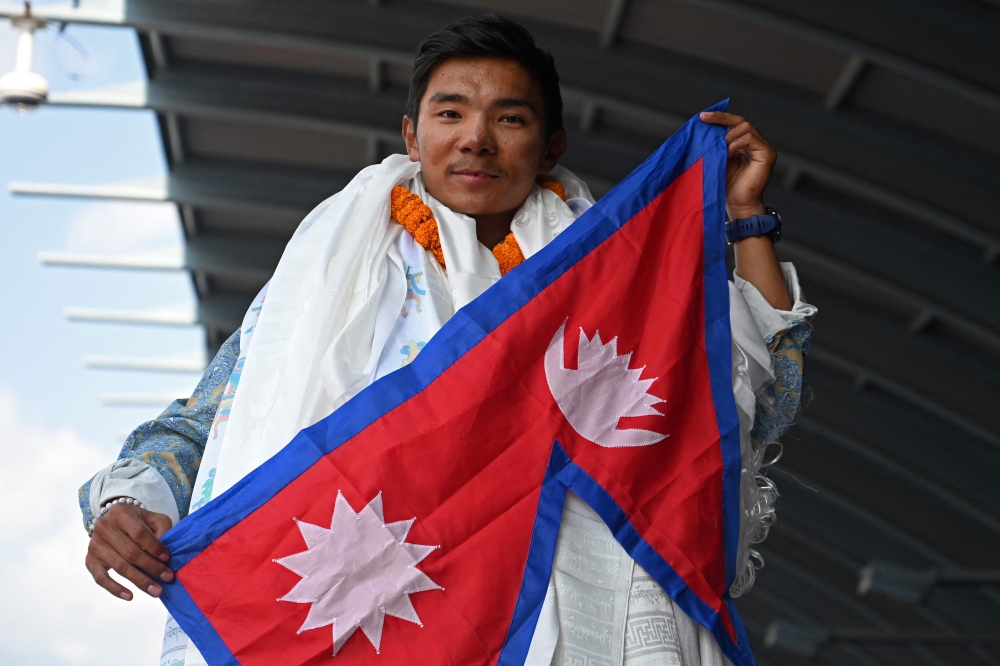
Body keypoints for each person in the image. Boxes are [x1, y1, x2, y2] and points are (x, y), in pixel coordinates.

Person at [78, 14, 814, 666]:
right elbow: (203, 421)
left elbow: (752, 404)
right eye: (451, 112)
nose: (475, 140)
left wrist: (744, 215)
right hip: (386, 613)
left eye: (510, 119)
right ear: (412, 134)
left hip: (575, 625)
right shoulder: (331, 273)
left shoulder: (611, 280)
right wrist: (129, 504)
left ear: (550, 144)